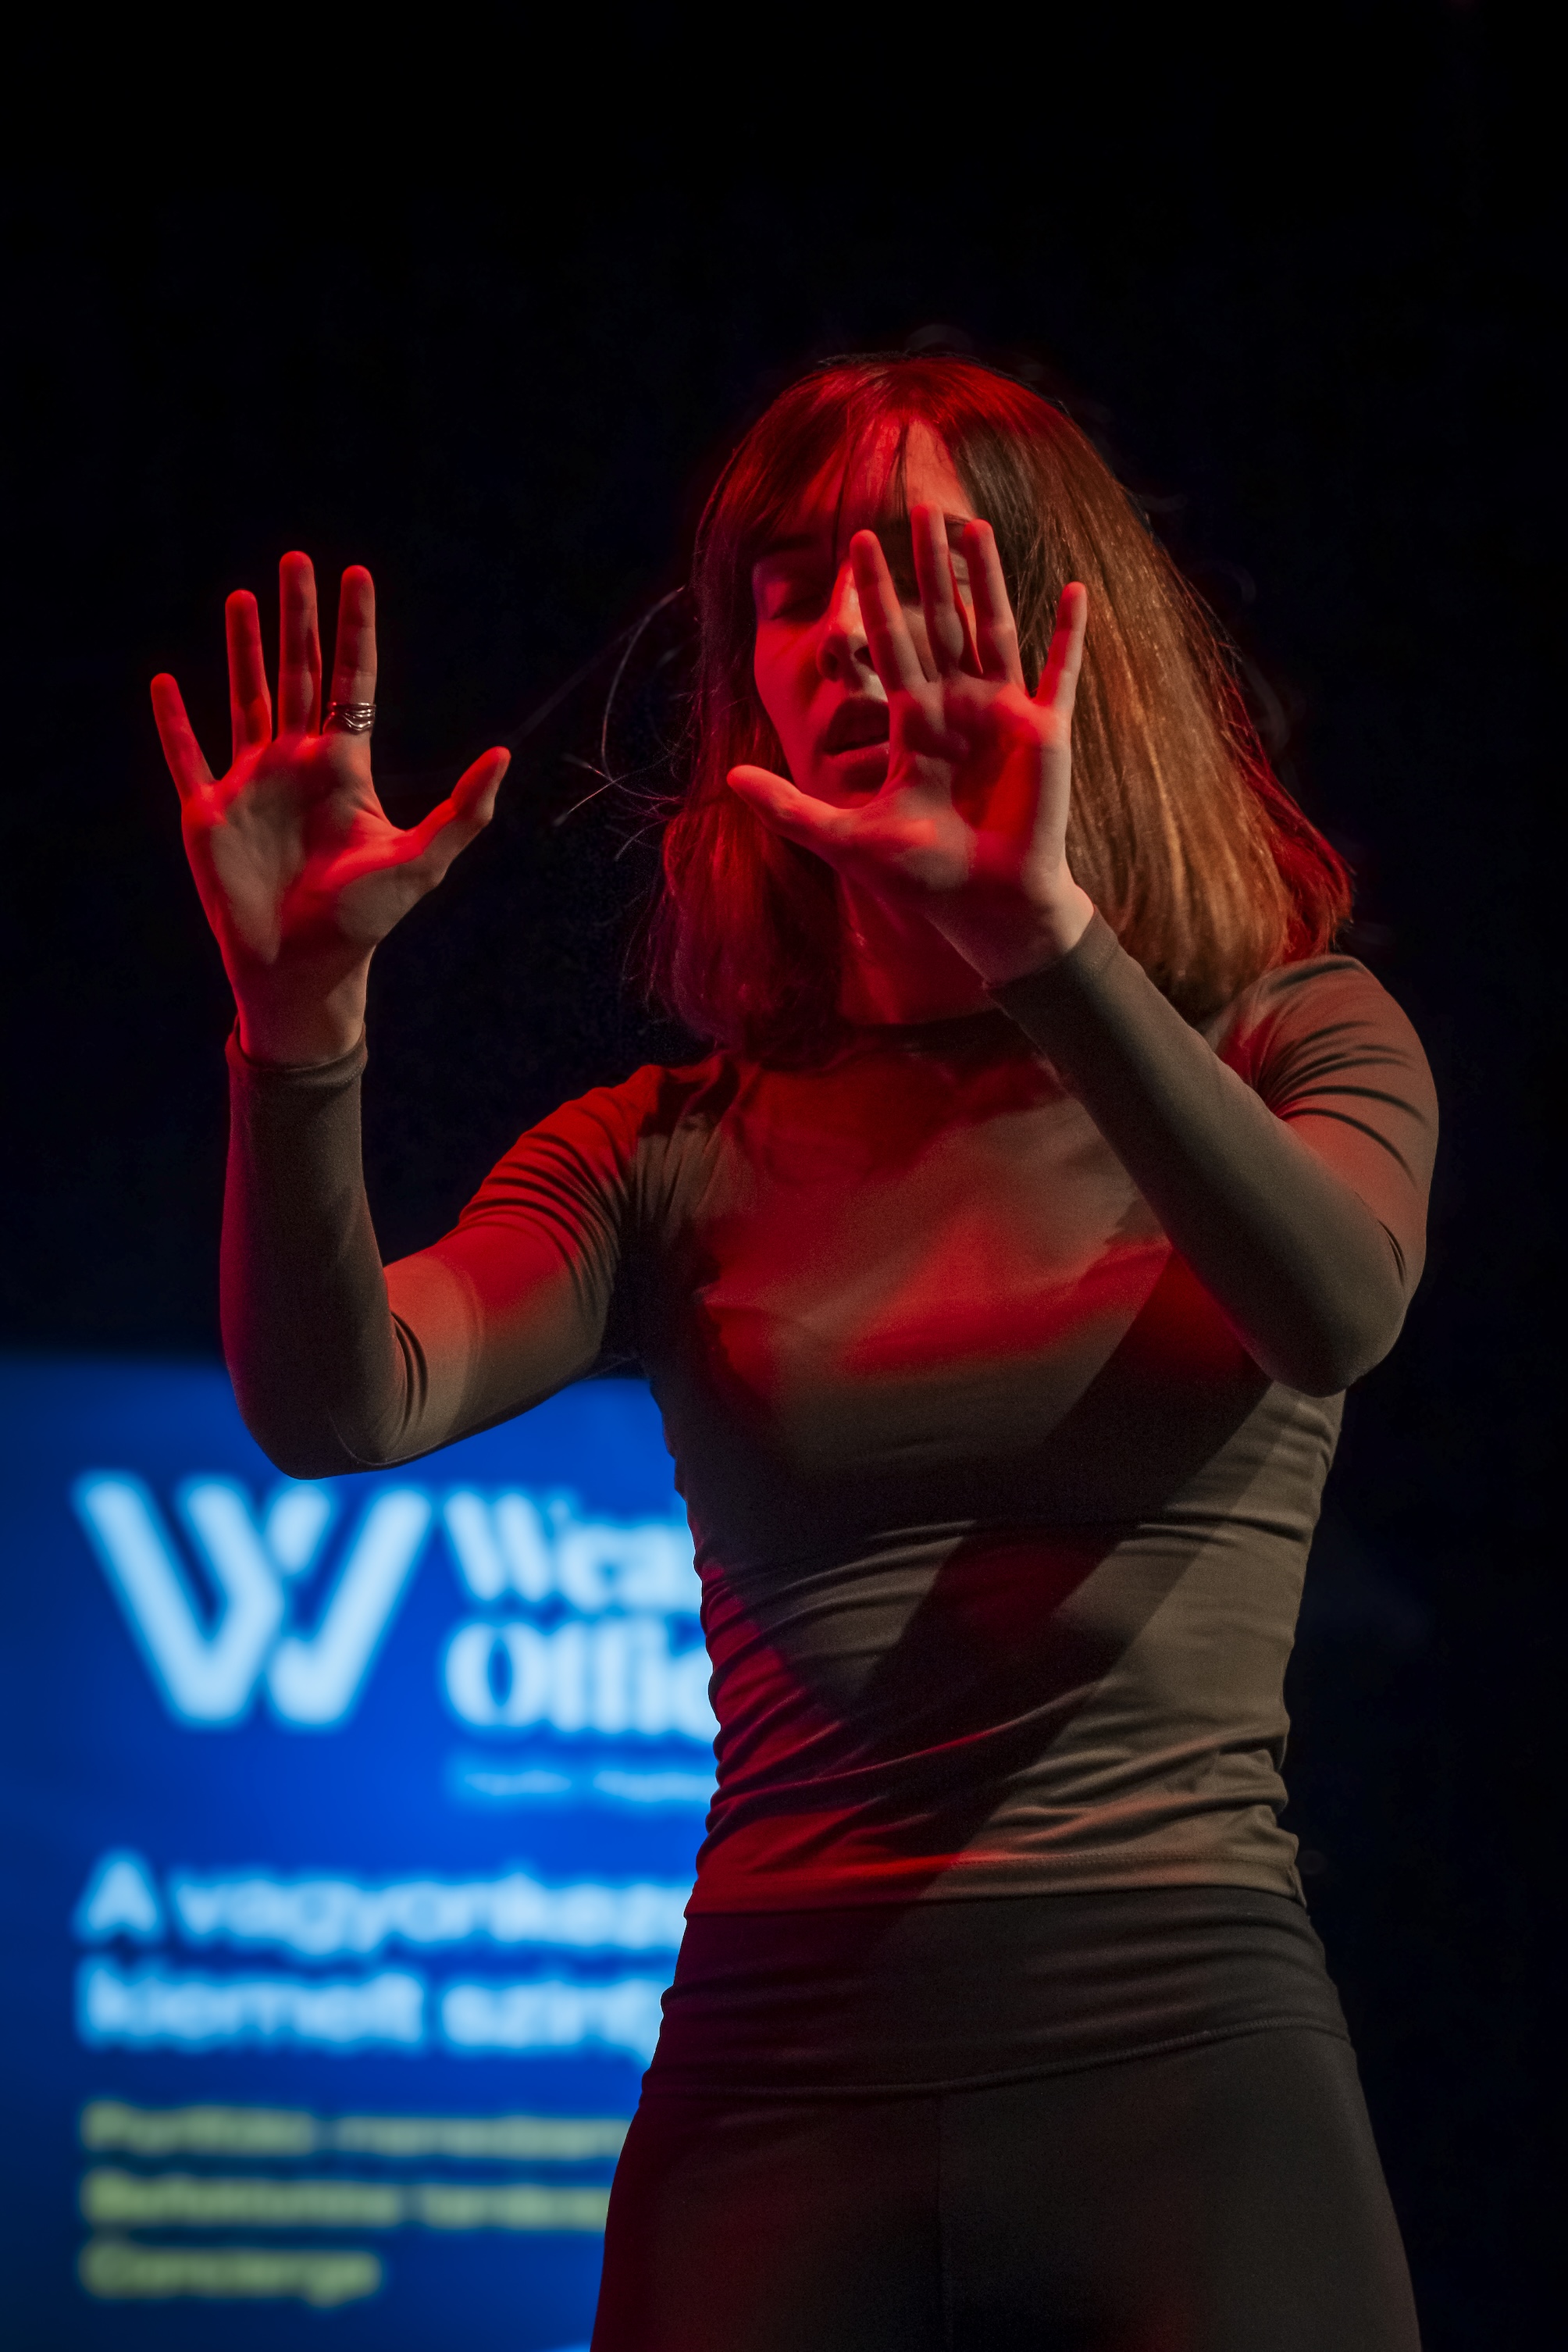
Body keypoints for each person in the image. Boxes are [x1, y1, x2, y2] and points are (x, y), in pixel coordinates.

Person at [155, 355, 1435, 2350]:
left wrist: (1045, 945)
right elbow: (339, 1407)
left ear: (1061, 629)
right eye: (788, 583)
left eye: (910, 569)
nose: (842, 628)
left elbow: (1331, 1307)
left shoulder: (1294, 1034)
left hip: (1182, 2066)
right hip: (774, 2093)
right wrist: (296, 1033)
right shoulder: (661, 1150)